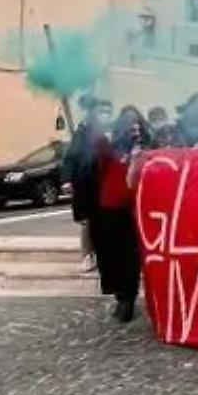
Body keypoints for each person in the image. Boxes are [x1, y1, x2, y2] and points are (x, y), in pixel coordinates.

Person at [89, 106, 151, 322]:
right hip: (110, 208)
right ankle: (121, 296)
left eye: (137, 125)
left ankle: (128, 300)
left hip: (135, 208)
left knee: (129, 258)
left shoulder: (146, 148)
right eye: (129, 125)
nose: (134, 130)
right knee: (113, 256)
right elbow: (95, 149)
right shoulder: (108, 148)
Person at [62, 96, 112, 271]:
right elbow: (71, 157)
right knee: (88, 222)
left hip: (109, 184)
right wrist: (67, 180)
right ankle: (88, 255)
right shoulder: (83, 132)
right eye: (101, 112)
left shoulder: (114, 131)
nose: (105, 115)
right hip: (88, 185)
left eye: (107, 112)